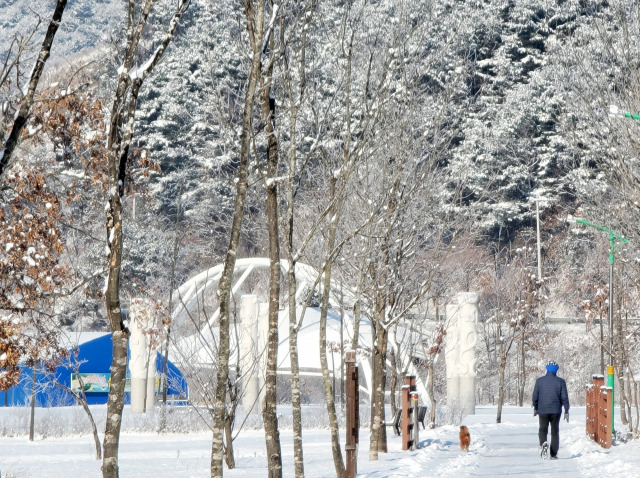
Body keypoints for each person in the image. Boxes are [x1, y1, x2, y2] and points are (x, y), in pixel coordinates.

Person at [532, 360, 570, 459]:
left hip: (543, 410)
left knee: (542, 429)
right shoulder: (561, 382)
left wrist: (536, 407)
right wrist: (566, 410)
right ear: (556, 370)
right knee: (555, 431)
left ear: (547, 369)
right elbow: (564, 397)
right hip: (556, 411)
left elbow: (535, 396)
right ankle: (553, 453)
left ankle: (543, 444)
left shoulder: (539, 381)